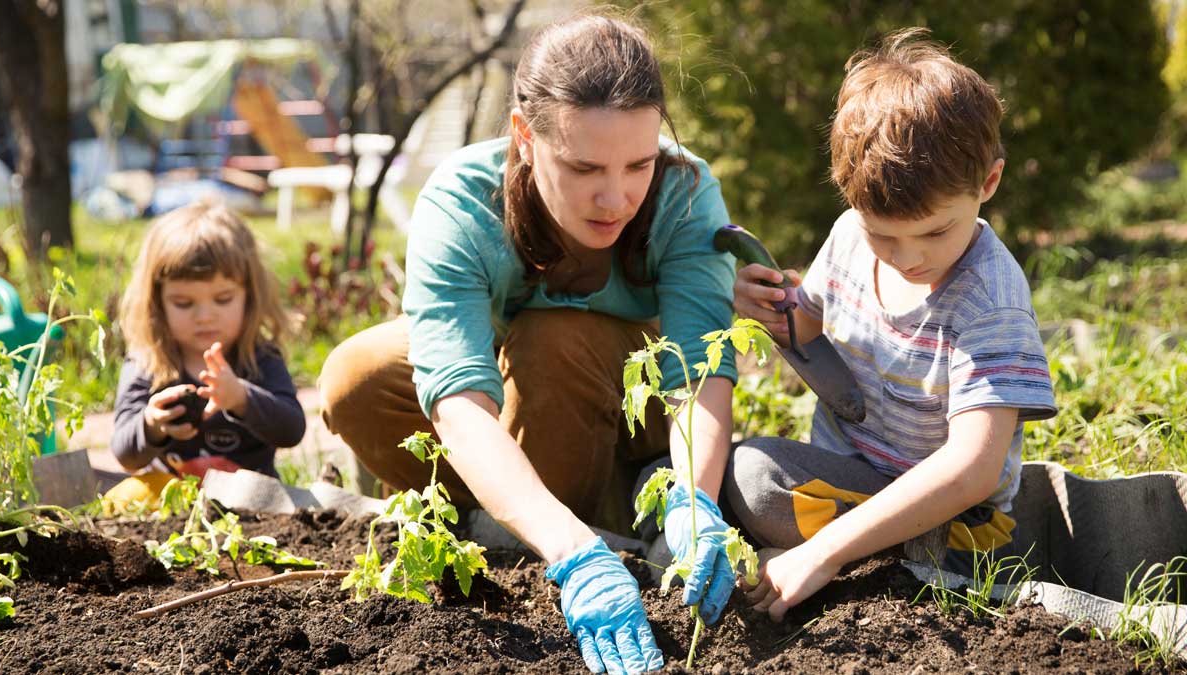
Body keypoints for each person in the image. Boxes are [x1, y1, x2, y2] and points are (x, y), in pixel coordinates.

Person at [319, 12, 740, 674]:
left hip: (639, 411)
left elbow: (698, 369)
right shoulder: (463, 202)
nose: (617, 196)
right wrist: (573, 552)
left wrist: (693, 498)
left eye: (638, 163)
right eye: (584, 167)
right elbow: (456, 396)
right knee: (356, 376)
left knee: (557, 339)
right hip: (517, 394)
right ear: (524, 137)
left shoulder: (684, 195)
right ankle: (555, 533)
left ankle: (619, 508)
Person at [725, 28, 1057, 622]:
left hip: (957, 524)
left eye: (934, 232)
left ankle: (853, 561)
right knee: (709, 474)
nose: (907, 257)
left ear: (988, 184)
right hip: (853, 478)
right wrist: (768, 308)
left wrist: (824, 551)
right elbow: (805, 331)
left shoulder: (990, 301)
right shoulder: (849, 239)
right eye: (884, 235)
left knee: (752, 480)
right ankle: (854, 555)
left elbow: (973, 469)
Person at [109, 201, 305, 483]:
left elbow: (292, 430)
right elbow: (125, 454)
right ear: (157, 303)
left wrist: (242, 399)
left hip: (254, 503)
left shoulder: (259, 357)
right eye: (184, 303)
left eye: (223, 299)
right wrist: (151, 424)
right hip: (170, 508)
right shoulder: (148, 362)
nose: (204, 316)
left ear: (249, 296)